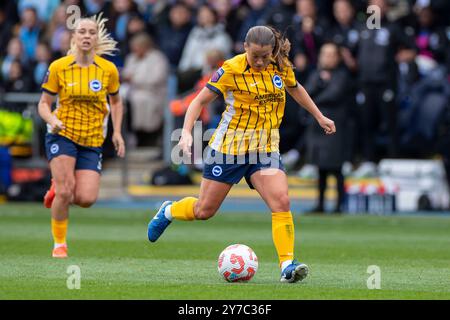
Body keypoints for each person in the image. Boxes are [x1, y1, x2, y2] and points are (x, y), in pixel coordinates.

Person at [147, 26, 336, 283]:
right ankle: (169, 211)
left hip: (265, 147)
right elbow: (198, 101)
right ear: (245, 47)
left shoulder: (280, 65)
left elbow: (296, 89)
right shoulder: (231, 69)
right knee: (204, 210)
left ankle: (287, 266)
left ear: (273, 51)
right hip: (229, 148)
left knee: (281, 201)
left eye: (265, 56)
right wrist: (187, 132)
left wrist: (319, 116)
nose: (259, 61)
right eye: (255, 55)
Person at [37, 14, 126, 258]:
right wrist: (52, 120)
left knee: (86, 199)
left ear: (97, 38)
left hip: (92, 140)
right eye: (82, 32)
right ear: (74, 38)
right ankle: (59, 245)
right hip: (62, 134)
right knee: (67, 191)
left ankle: (58, 186)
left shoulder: (108, 70)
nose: (87, 36)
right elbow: (43, 104)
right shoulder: (59, 67)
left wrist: (117, 132)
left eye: (91, 32)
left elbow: (117, 103)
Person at [304, 42, 353, 213]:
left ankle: (340, 205)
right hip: (316, 127)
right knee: (320, 168)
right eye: (325, 54)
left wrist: (313, 101)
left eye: (331, 54)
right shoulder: (315, 74)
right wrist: (319, 85)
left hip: (335, 125)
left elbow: (334, 95)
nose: (327, 57)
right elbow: (306, 92)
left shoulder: (342, 75)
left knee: (336, 167)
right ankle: (320, 204)